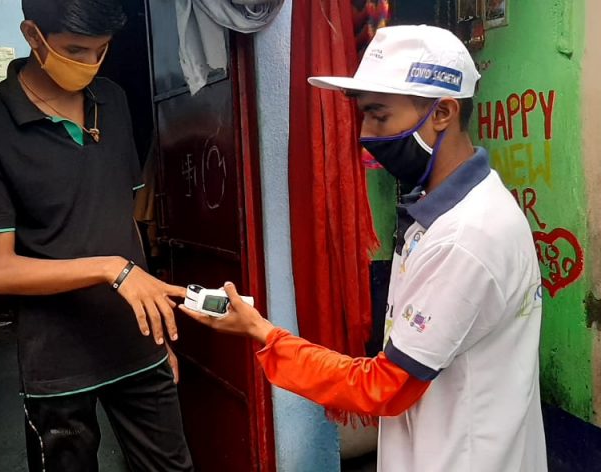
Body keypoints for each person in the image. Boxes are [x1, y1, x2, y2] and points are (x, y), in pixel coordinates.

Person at [181, 25, 547, 471]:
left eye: (379, 115)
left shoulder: (466, 238)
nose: (364, 134)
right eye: (364, 117)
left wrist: (262, 333)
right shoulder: (451, 208)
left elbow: (381, 387)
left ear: (443, 112)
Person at [0, 0, 193, 470]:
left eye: (100, 50)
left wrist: (159, 336)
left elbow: (123, 222)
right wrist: (110, 269)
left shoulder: (114, 101)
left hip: (135, 341)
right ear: (32, 34)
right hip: (57, 361)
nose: (88, 64)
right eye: (75, 50)